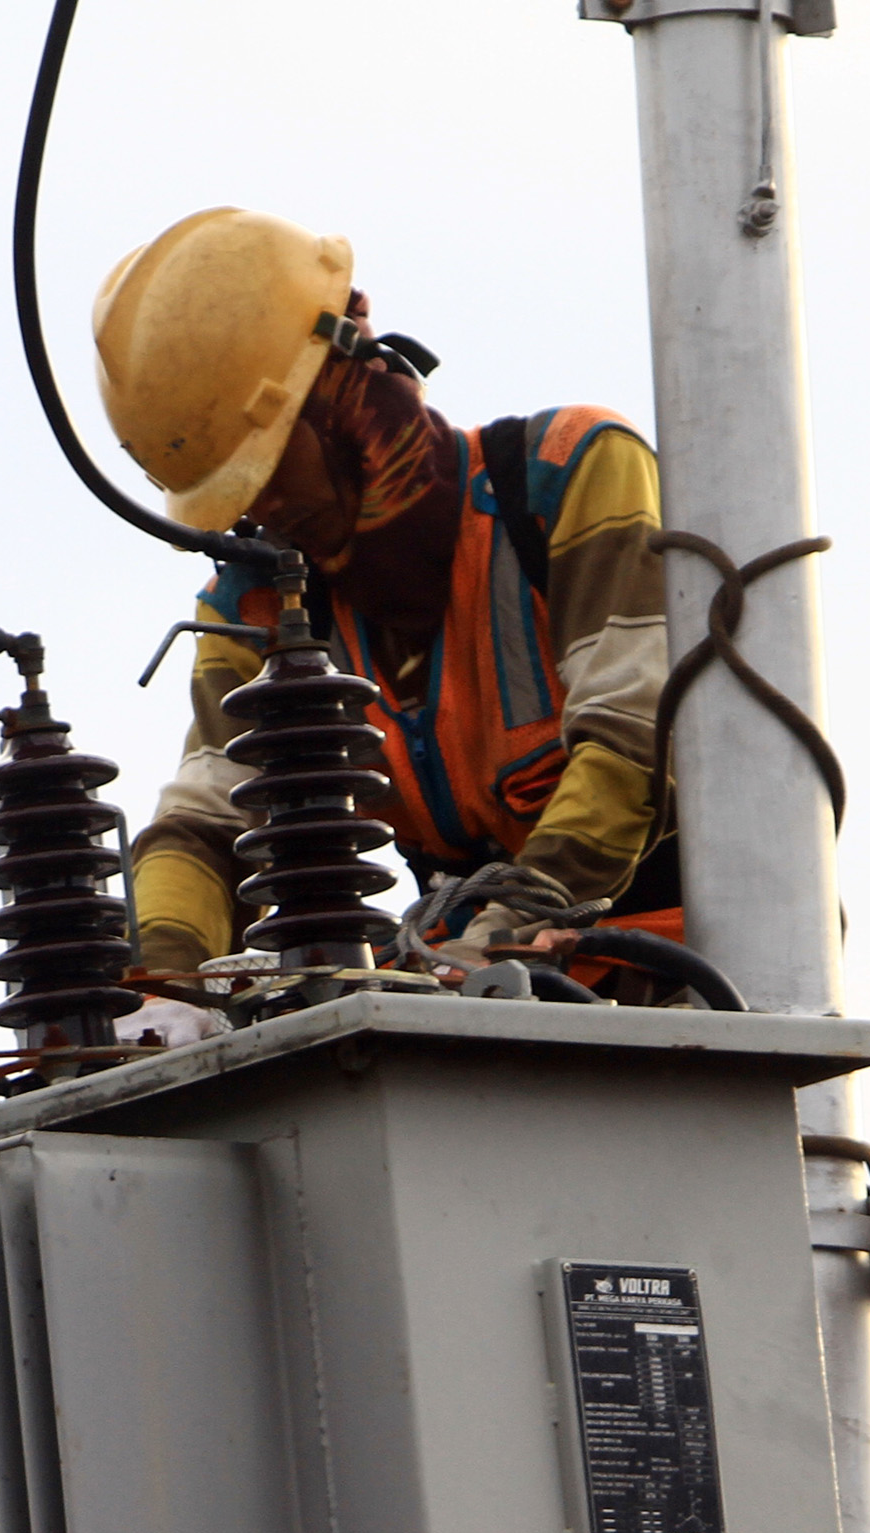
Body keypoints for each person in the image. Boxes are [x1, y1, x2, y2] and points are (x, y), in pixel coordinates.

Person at [91, 208, 681, 1002]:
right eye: (233, 492)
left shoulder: (564, 477)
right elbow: (205, 825)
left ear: (340, 396)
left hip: (684, 978)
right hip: (490, 999)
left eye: (266, 465)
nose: (260, 508)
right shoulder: (257, 603)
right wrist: (162, 987)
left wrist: (512, 917)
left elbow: (631, 732)